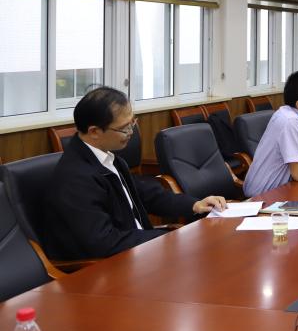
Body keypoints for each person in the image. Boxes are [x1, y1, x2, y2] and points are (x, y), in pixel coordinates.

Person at [45, 87, 226, 260]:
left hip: (139, 250)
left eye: (132, 122)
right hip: (112, 267)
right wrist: (164, 238)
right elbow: (104, 242)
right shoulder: (75, 178)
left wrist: (194, 204)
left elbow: (148, 196)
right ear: (94, 132)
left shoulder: (108, 159)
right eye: (124, 128)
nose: (131, 132)